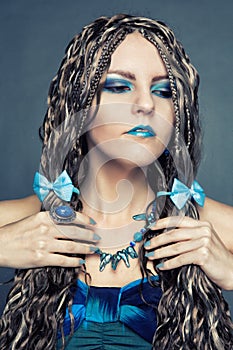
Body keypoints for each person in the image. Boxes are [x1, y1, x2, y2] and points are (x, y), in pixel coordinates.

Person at [0, 14, 232, 349]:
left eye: (164, 90)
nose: (147, 104)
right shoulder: (22, 223)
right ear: (78, 101)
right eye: (119, 86)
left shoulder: (207, 226)